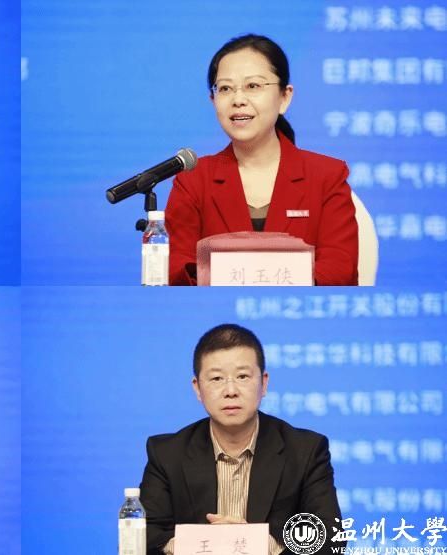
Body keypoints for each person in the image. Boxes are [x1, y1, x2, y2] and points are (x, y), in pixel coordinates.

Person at [165, 34, 358, 286]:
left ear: (284, 97)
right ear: (213, 100)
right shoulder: (193, 180)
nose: (238, 100)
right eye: (225, 89)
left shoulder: (327, 176)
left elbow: (339, 269)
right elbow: (177, 268)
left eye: (253, 86)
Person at [139, 324, 343, 555]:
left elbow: (331, 540)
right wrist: (197, 544)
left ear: (264, 383)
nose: (230, 390)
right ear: (197, 388)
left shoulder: (305, 450)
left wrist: (259, 544)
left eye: (242, 376)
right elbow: (143, 535)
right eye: (216, 378)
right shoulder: (167, 453)